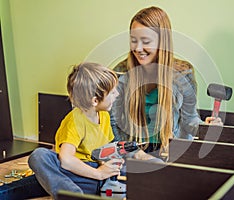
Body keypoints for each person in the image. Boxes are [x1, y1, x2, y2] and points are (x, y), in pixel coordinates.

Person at [111, 6, 222, 155]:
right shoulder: (119, 72)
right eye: (133, 40)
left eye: (145, 41)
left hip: (170, 153)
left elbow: (189, 119)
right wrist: (127, 155)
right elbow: (113, 122)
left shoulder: (183, 73)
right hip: (133, 154)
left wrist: (205, 127)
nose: (138, 48)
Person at [28, 62, 124, 198]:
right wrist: (99, 174)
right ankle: (71, 195)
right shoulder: (75, 120)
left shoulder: (104, 116)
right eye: (112, 92)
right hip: (74, 173)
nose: (117, 94)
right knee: (39, 156)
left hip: (93, 176)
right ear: (95, 100)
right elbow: (66, 160)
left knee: (133, 170)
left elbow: (104, 151)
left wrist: (109, 166)